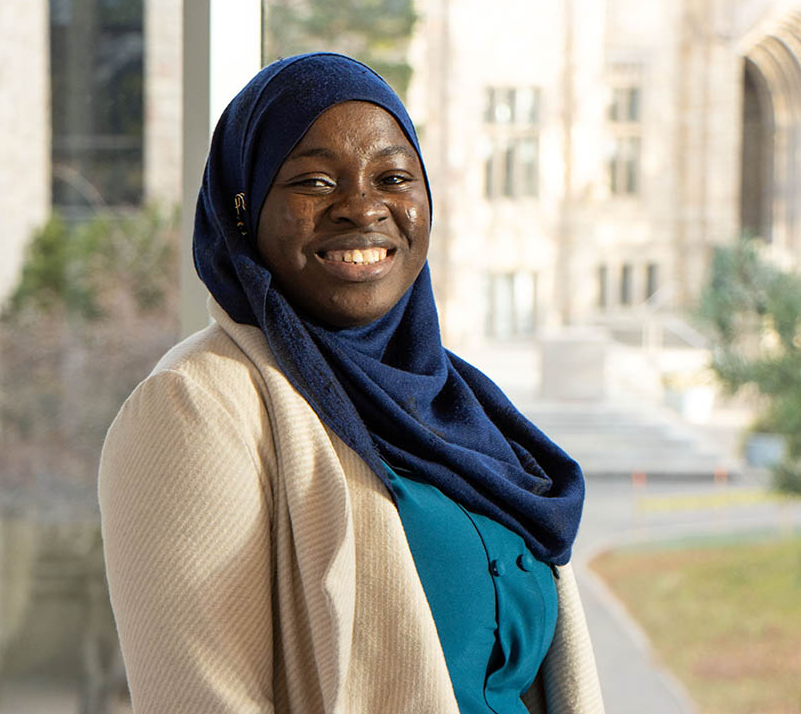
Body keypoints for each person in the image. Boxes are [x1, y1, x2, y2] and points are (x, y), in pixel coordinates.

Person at [98, 52, 603, 714]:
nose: (362, 208)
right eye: (313, 181)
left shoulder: (461, 405)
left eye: (393, 177)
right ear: (242, 211)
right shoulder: (193, 408)